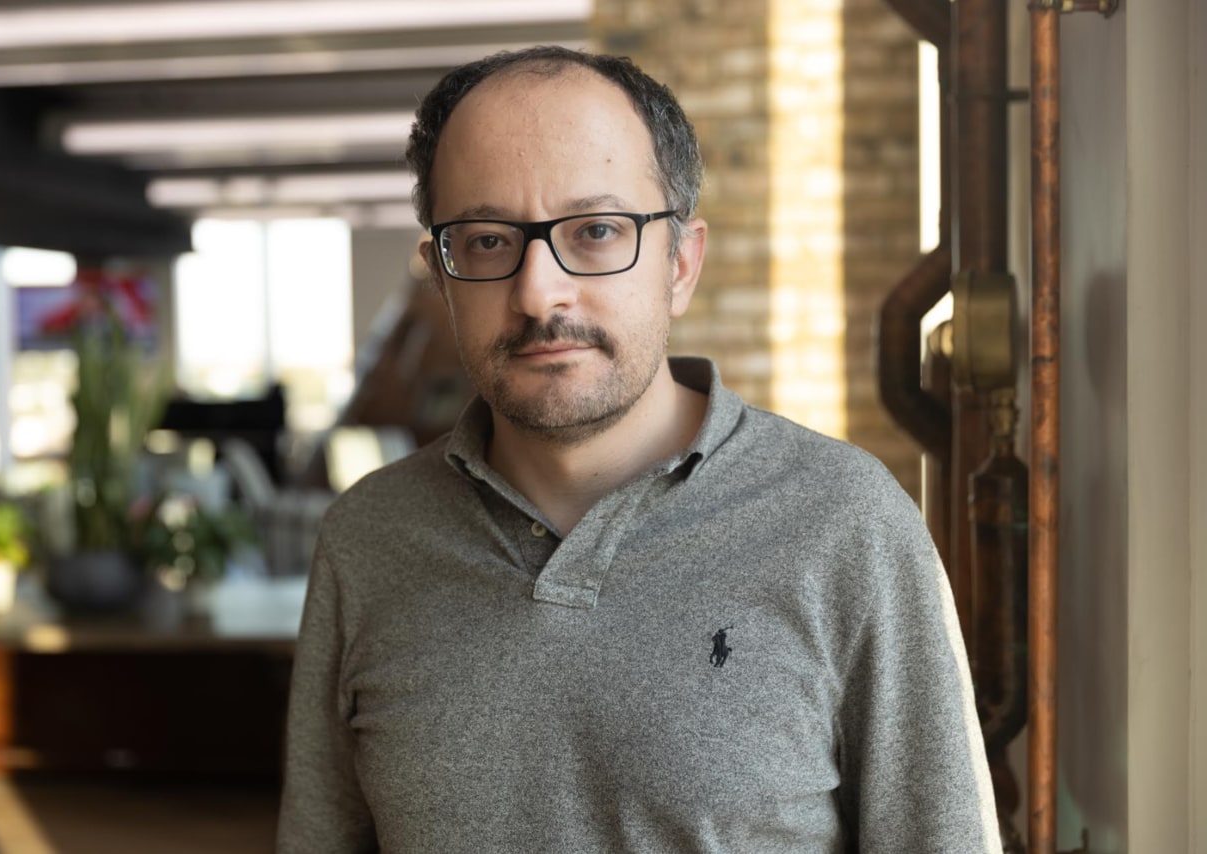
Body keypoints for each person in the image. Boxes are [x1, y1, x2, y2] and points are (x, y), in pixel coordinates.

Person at [277, 45, 1000, 853]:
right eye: (485, 241)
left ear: (680, 264)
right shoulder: (368, 541)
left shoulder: (845, 524)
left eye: (595, 231)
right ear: (440, 277)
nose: (538, 291)